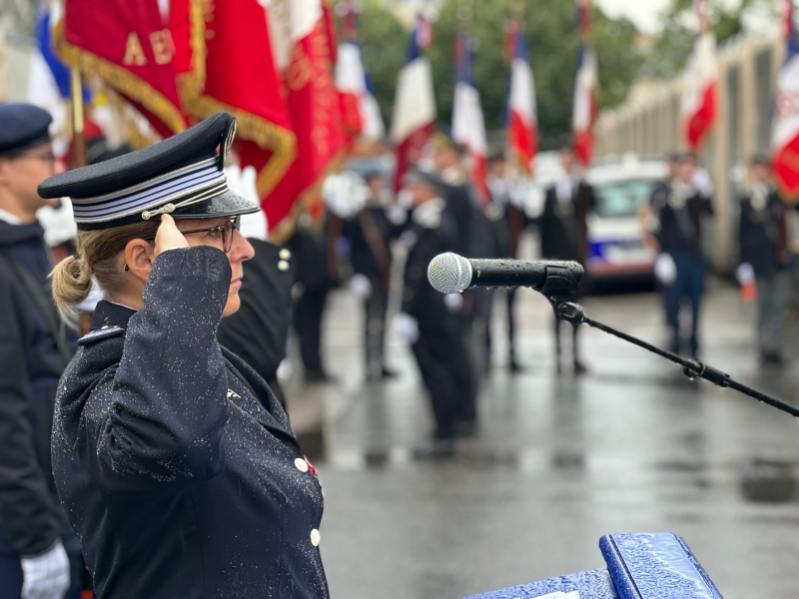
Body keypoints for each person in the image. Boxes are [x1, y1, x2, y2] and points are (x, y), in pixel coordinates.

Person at [40, 113, 329, 598]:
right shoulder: (104, 378)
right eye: (218, 233)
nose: (244, 250)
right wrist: (182, 279)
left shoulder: (194, 353)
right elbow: (172, 442)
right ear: (147, 260)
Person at [0, 103, 84, 599]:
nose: (56, 169)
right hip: (21, 530)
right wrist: (33, 537)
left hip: (59, 506)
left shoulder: (27, 245)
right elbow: (4, 409)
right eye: (44, 156)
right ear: (4, 169)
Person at [394, 167, 477, 458]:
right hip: (431, 311)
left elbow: (419, 273)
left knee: (436, 371)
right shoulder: (424, 220)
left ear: (428, 191)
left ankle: (444, 433)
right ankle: (451, 423)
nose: (410, 193)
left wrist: (406, 310)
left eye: (415, 188)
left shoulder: (434, 223)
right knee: (444, 367)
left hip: (429, 312)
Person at [649, 152, 714, 358]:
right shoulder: (666, 193)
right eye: (684, 167)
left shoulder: (697, 194)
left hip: (694, 255)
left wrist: (706, 193)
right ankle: (676, 339)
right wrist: (662, 254)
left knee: (695, 299)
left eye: (691, 167)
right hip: (674, 255)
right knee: (674, 299)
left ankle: (694, 339)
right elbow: (659, 224)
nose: (688, 171)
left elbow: (712, 213)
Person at [540, 146, 595, 374]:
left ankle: (575, 356)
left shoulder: (581, 187)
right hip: (557, 258)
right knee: (555, 307)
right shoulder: (551, 190)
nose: (567, 164)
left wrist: (583, 184)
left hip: (576, 258)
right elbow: (544, 225)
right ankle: (557, 357)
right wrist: (546, 258)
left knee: (575, 308)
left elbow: (593, 206)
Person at [737, 156, 792, 365]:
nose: (761, 174)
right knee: (762, 305)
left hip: (780, 260)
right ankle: (763, 346)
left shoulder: (780, 196)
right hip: (758, 262)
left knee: (778, 305)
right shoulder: (746, 200)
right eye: (757, 170)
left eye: (764, 170)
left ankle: (775, 346)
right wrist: (743, 262)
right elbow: (742, 232)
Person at [344, 170, 399, 382]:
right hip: (367, 275)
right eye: (375, 182)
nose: (379, 186)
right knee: (369, 321)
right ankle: (368, 365)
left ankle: (382, 361)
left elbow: (393, 236)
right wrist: (356, 274)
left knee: (383, 320)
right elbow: (352, 246)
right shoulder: (361, 213)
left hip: (384, 272)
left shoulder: (383, 210)